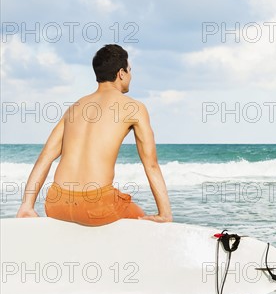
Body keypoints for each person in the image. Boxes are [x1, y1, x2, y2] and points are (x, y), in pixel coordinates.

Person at [16, 44, 173, 225]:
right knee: (141, 219)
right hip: (96, 207)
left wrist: (27, 205)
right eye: (130, 70)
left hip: (55, 204)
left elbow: (45, 157)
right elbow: (151, 164)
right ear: (121, 73)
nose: (131, 75)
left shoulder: (75, 108)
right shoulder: (134, 108)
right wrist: (165, 213)